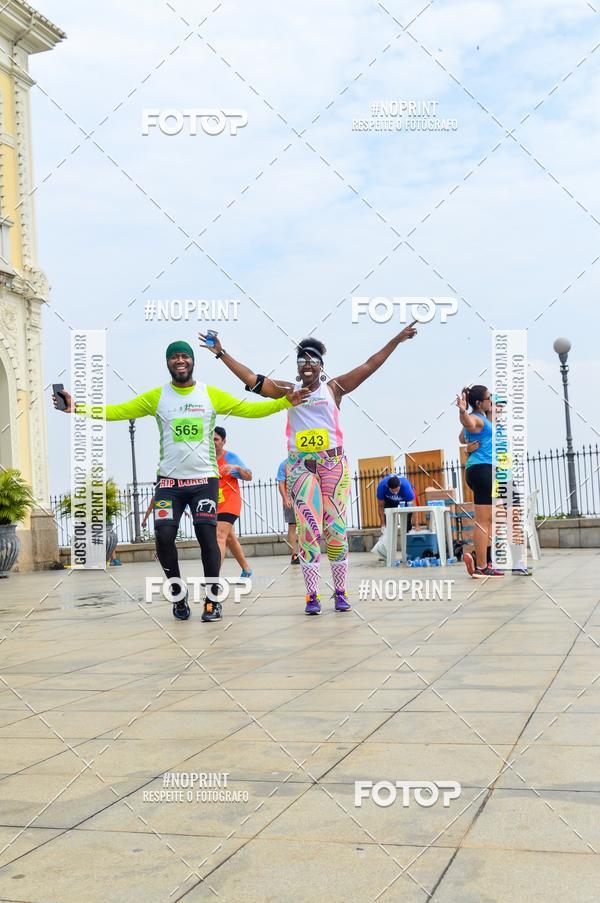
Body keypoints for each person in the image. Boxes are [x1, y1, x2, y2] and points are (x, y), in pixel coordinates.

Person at [53, 340, 304, 622]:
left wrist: (285, 402)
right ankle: (178, 594)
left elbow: (249, 410)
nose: (180, 361)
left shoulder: (209, 394)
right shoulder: (157, 397)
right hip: (169, 484)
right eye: (174, 357)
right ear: (168, 362)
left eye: (185, 356)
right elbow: (118, 410)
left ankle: (212, 600)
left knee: (207, 537)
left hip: (204, 481)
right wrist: (77, 407)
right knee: (163, 538)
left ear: (192, 361)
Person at [199, 324, 418, 615]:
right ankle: (312, 595)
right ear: (297, 366)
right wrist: (221, 353)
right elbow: (252, 379)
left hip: (333, 465)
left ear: (321, 366)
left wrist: (396, 340)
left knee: (336, 530)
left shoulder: (334, 389)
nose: (307, 365)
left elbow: (370, 365)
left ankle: (340, 592)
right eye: (301, 360)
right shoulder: (288, 391)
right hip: (301, 466)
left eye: (313, 360)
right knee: (308, 531)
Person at [456, 385, 503, 578]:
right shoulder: (476, 418)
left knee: (490, 520)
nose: (491, 400)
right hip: (483, 470)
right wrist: (462, 412)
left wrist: (468, 446)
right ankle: (481, 566)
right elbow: (468, 422)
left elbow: (462, 437)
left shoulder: (483, 419)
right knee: (483, 521)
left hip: (480, 469)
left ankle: (484, 560)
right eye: (488, 398)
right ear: (478, 402)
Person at [213, 426, 253, 577]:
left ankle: (213, 576)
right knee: (229, 538)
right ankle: (247, 569)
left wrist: (235, 467)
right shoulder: (206, 460)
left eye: (216, 439)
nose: (213, 442)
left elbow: (249, 476)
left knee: (219, 535)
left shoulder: (230, 457)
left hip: (230, 502)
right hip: (213, 504)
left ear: (223, 441)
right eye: (210, 440)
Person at [276, 458, 299, 564]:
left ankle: (306, 553)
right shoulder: (284, 464)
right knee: (292, 526)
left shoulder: (304, 460)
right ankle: (294, 555)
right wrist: (285, 499)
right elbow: (281, 484)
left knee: (305, 527)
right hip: (290, 499)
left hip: (305, 500)